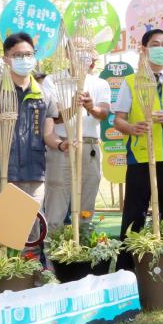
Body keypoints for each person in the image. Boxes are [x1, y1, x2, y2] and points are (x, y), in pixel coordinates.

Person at [113, 29, 163, 271]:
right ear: (144, 49)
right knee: (133, 215)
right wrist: (131, 127)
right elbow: (118, 119)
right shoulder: (132, 81)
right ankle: (126, 271)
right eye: (155, 43)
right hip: (140, 157)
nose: (160, 47)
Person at [0, 32, 61, 253]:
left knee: (31, 237)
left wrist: (63, 144)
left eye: (28, 54)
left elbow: (48, 135)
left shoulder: (43, 95)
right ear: (6, 58)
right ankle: (0, 284)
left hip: (34, 175)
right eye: (17, 55)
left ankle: (30, 281)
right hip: (2, 175)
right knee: (1, 235)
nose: (24, 59)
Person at [42, 50, 111, 232]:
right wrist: (72, 106)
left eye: (87, 50)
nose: (82, 54)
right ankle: (52, 256)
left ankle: (83, 254)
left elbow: (103, 113)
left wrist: (91, 107)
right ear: (67, 53)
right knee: (56, 205)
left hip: (89, 146)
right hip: (62, 146)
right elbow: (53, 116)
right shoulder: (52, 80)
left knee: (86, 206)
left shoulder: (100, 83)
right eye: (77, 49)